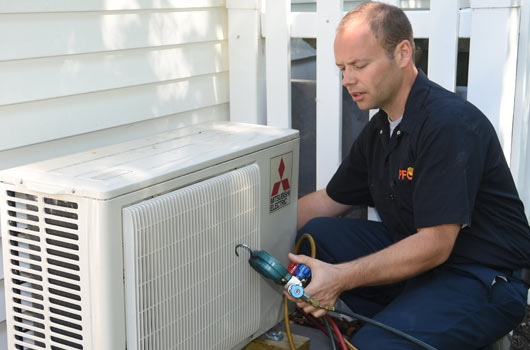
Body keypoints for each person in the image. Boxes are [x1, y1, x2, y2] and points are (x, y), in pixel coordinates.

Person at [290, 2, 530, 349]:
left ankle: (445, 330)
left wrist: (339, 279)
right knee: (315, 234)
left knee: (374, 345)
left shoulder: (447, 125)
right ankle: (415, 322)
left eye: (359, 65)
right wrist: (252, 232)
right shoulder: (381, 130)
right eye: (342, 68)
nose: (347, 80)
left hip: (482, 276)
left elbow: (434, 244)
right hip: (426, 269)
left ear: (403, 53)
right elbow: (327, 201)